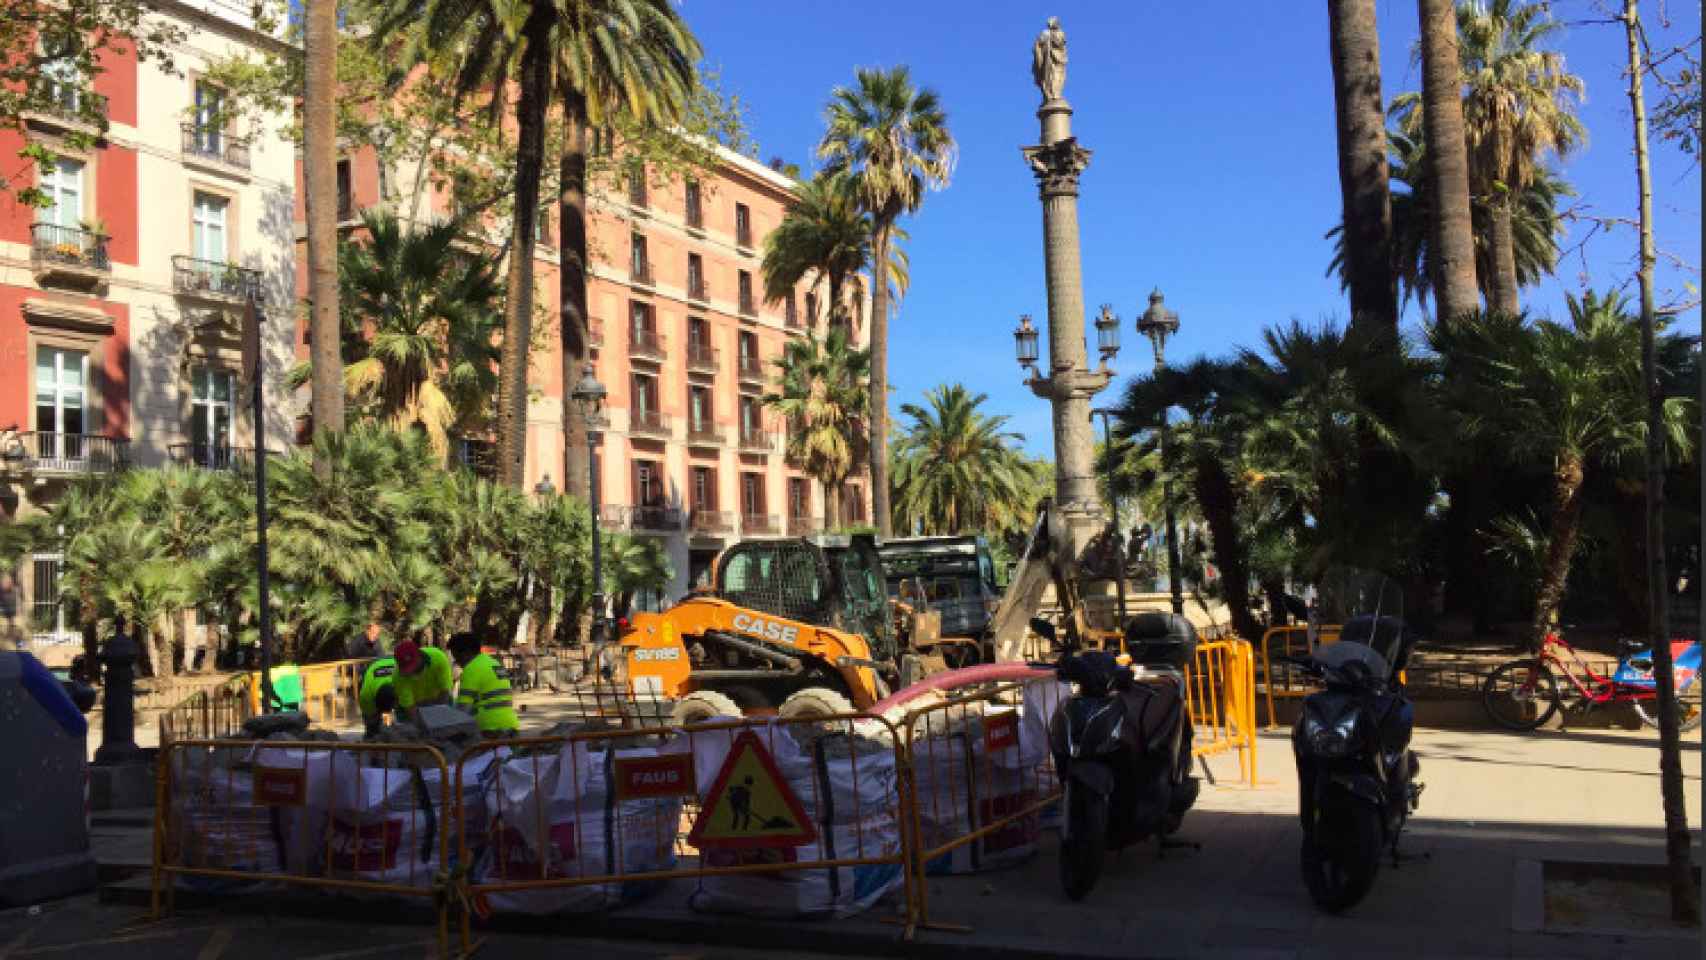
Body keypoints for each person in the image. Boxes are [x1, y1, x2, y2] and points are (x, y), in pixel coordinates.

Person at [448, 632, 518, 738]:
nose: (457, 663)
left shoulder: (471, 669)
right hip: (510, 725)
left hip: (488, 729)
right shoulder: (494, 663)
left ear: (466, 653)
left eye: (457, 658)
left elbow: (463, 711)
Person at [391, 639, 453, 724]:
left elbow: (445, 691)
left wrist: (438, 717)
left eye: (411, 666)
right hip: (415, 704)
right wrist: (421, 726)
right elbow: (410, 708)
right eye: (406, 669)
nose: (409, 672)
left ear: (419, 656)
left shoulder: (438, 658)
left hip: (438, 698)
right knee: (411, 729)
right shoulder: (398, 677)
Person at [358, 655, 398, 736]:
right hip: (374, 665)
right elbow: (369, 717)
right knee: (372, 726)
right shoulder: (366, 696)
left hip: (394, 662)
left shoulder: (403, 684)